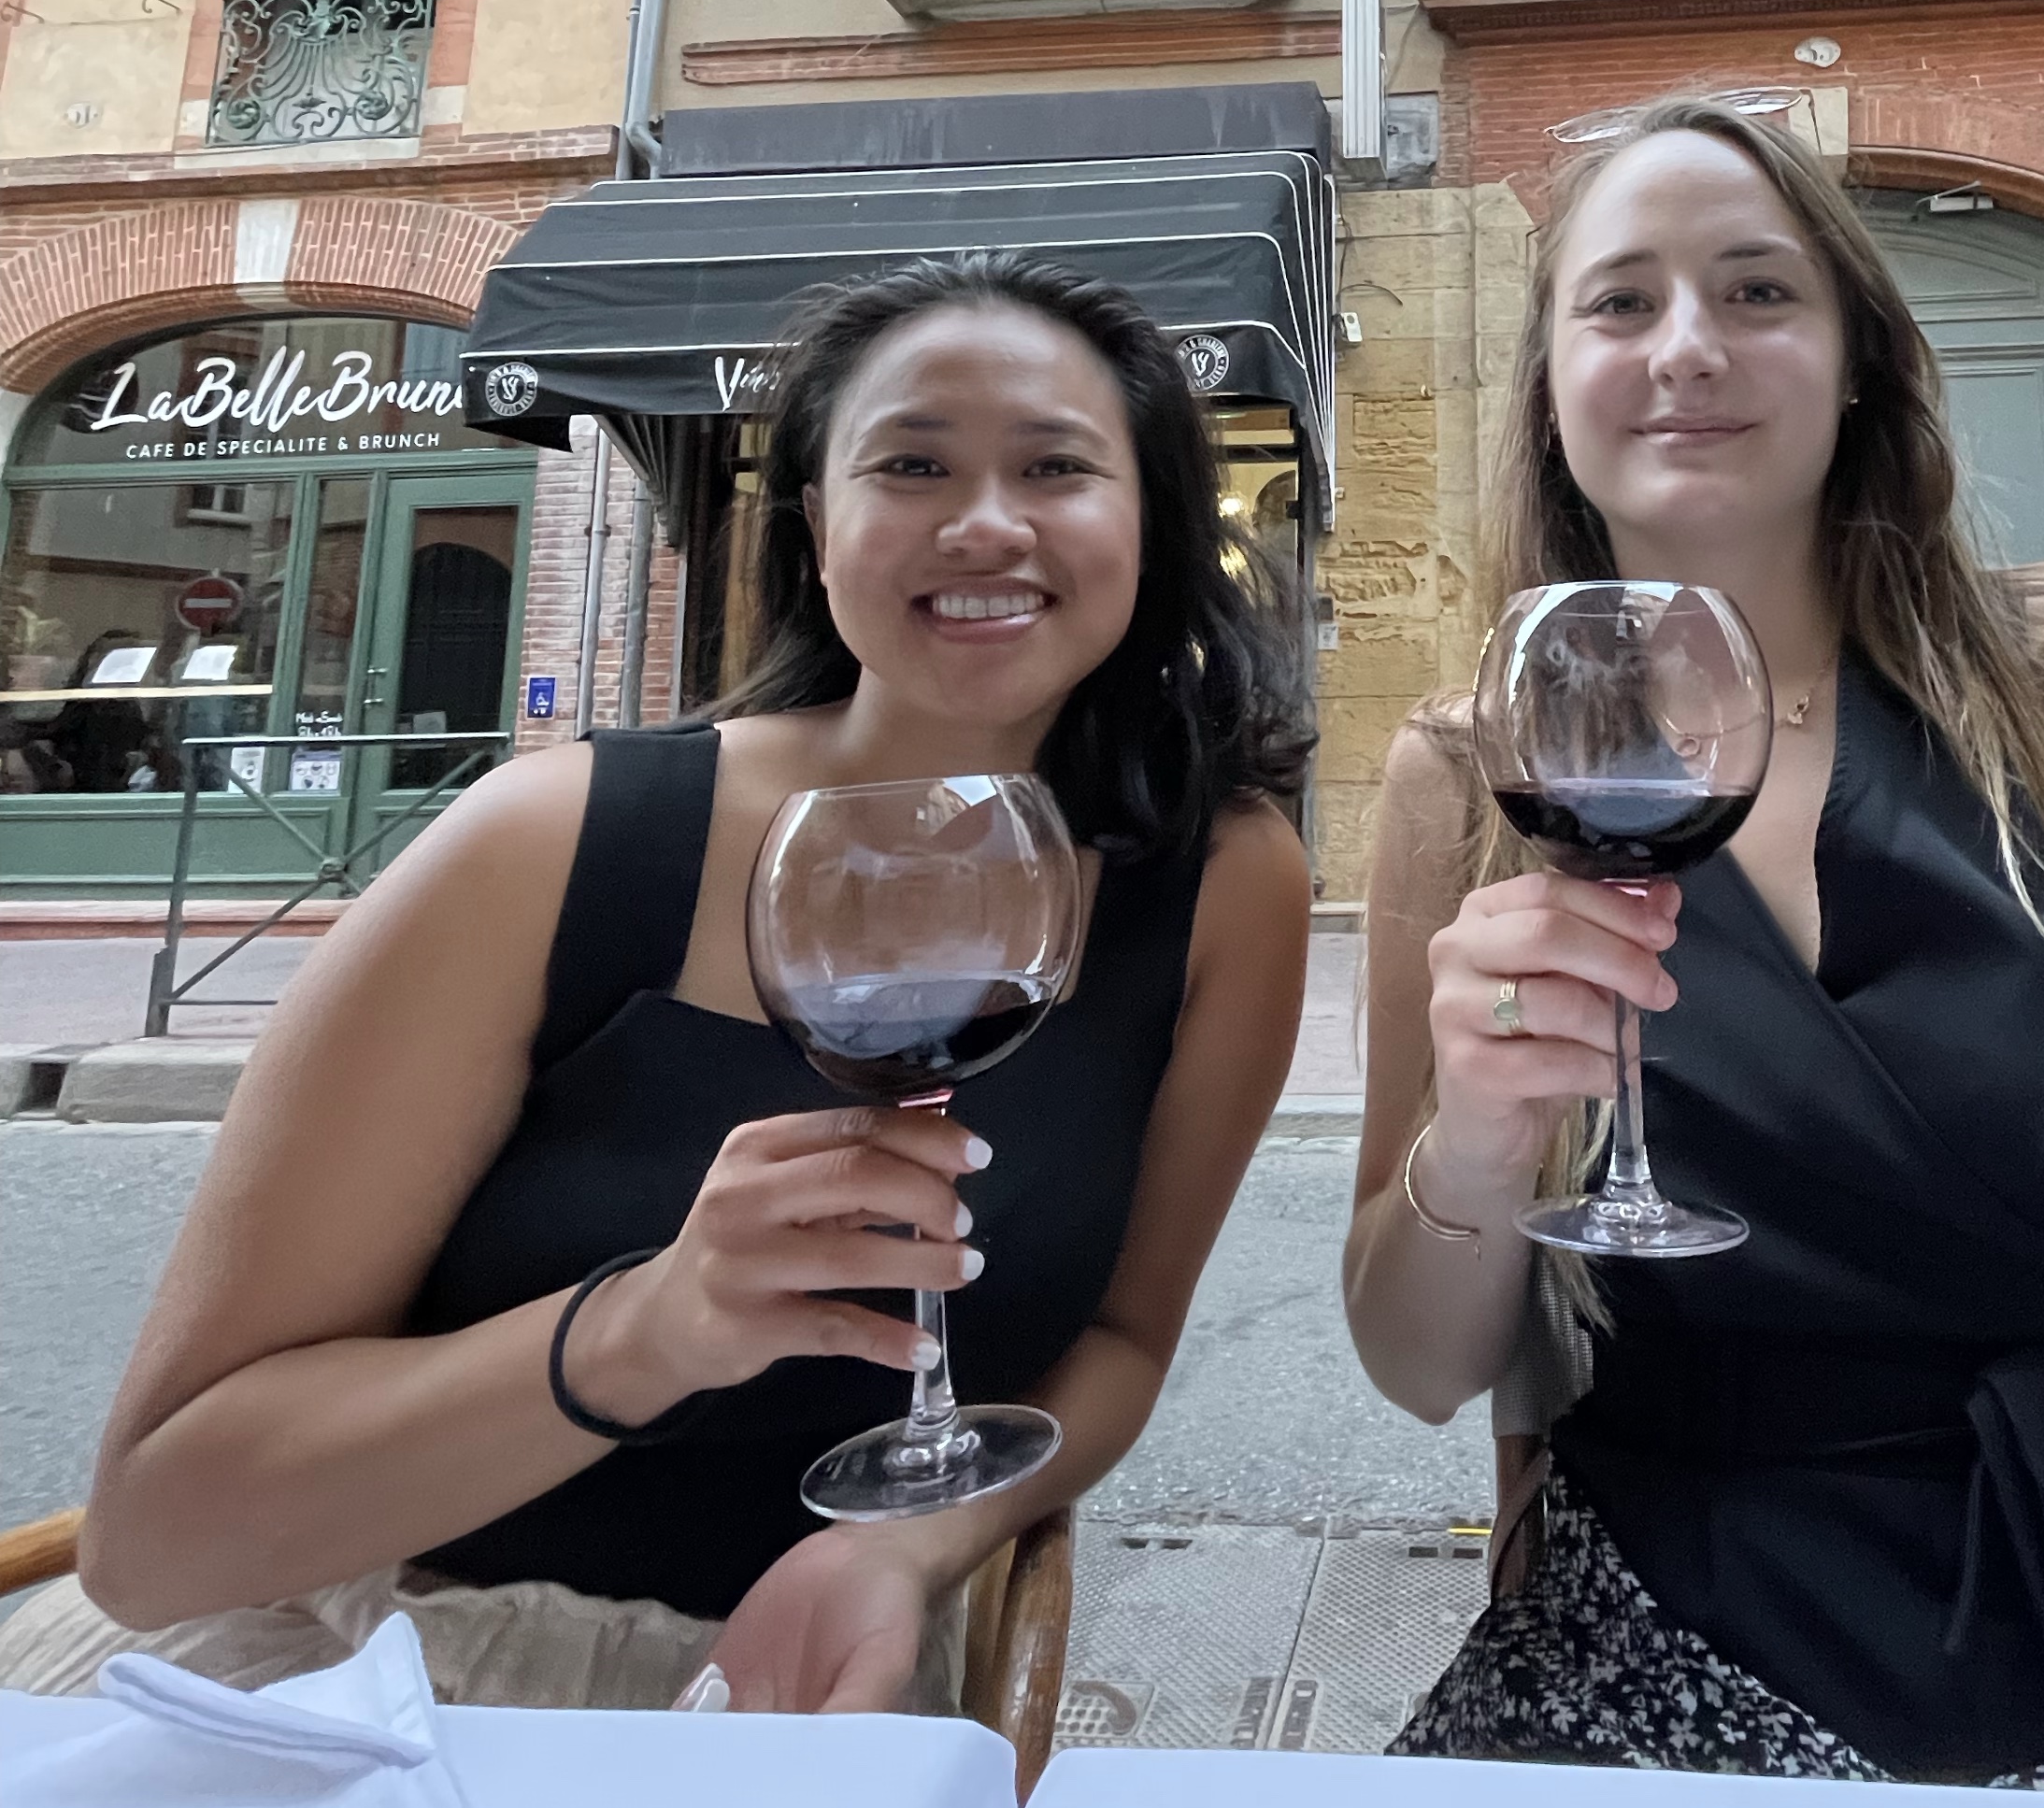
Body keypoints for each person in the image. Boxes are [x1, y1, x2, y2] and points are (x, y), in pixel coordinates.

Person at [2, 254, 1313, 1713]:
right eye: (913, 464)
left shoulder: (1220, 883)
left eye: (1057, 467)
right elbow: (156, 1536)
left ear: (1149, 525)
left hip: (807, 1697)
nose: (986, 522)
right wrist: (649, 1327)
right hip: (355, 1678)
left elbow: (1120, 1343)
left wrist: (909, 1548)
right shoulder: (552, 844)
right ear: (818, 528)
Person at [1346, 96, 2044, 1804]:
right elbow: (1417, 1363)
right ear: (1549, 388)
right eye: (1620, 301)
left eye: (1757, 290)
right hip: (1656, 1657)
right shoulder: (1466, 774)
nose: (1686, 345)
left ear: (1859, 361)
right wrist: (1482, 1149)